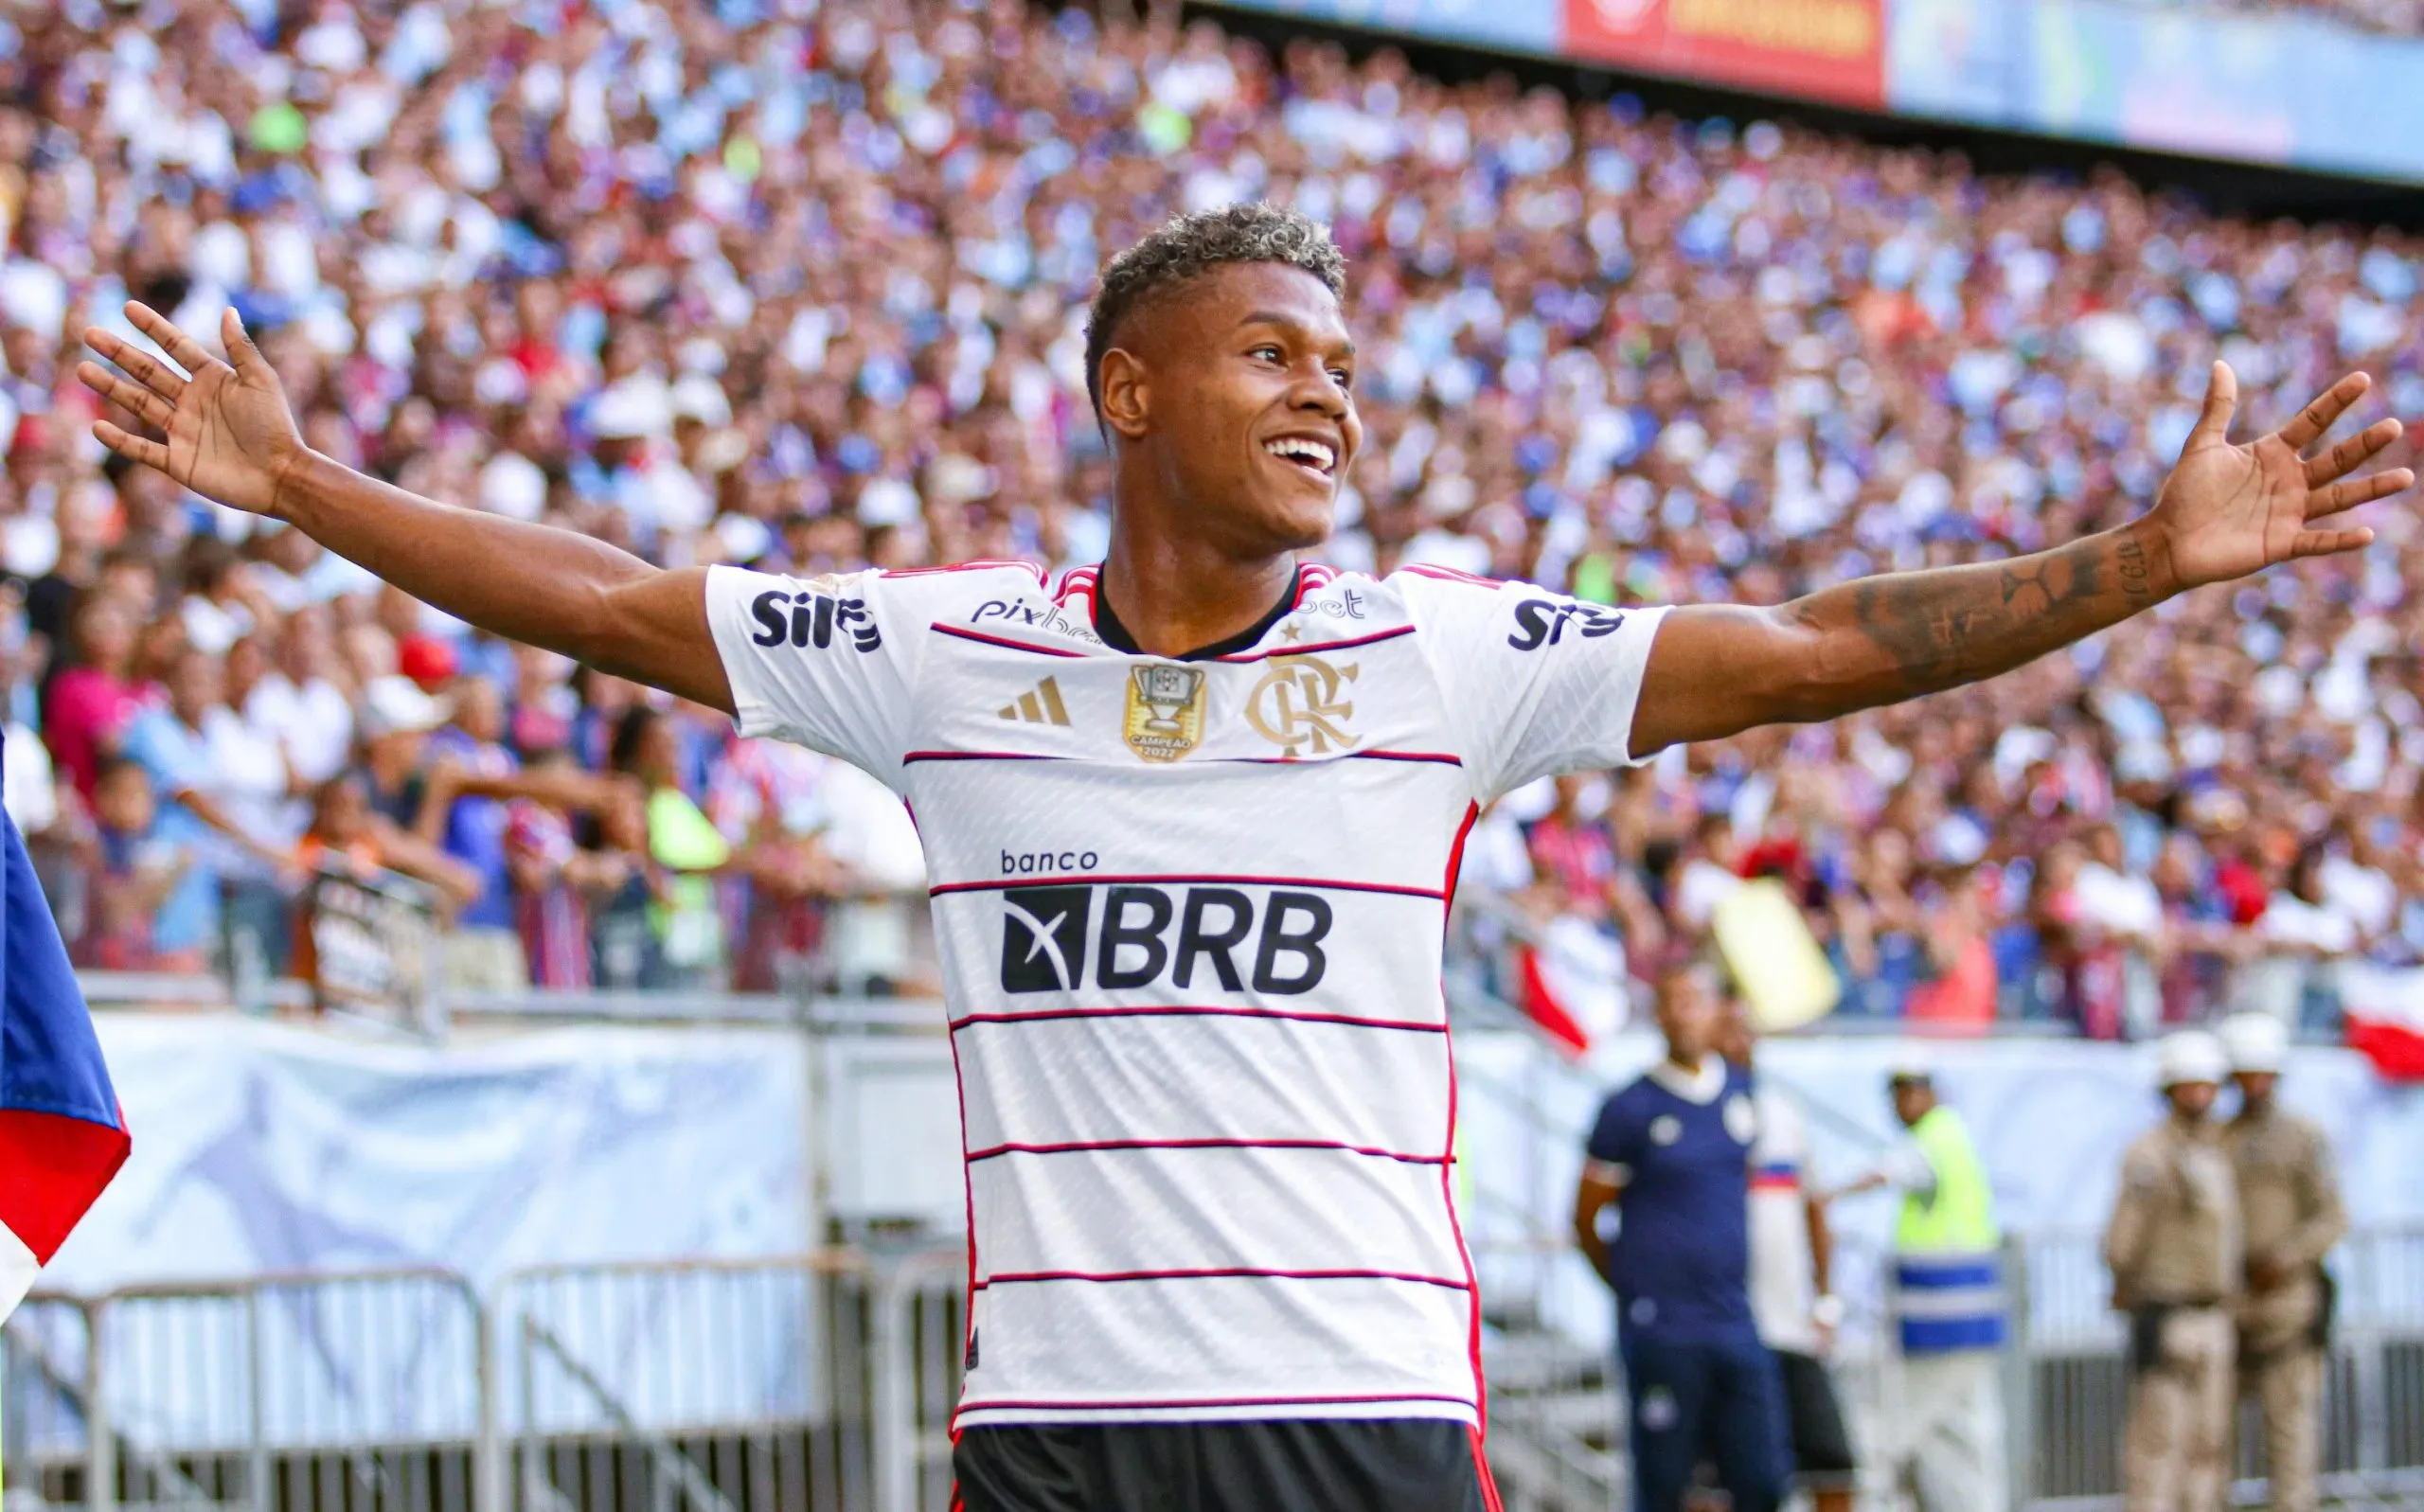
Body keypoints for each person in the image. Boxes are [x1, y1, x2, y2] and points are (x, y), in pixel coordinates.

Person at [76, 197, 2410, 1508]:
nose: (1329, 394)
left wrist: (2135, 560)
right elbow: (601, 599)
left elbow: (1806, 647)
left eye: (1343, 366)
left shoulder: (1448, 655)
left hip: (1361, 1421)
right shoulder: (938, 654)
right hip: (1055, 1436)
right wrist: (299, 487)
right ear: (1128, 391)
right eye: (1273, 352)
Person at [1572, 964, 1786, 1512]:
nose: (1682, 1013)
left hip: (1734, 1319)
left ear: (1717, 1009)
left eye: (1693, 999)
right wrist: (1634, 1284)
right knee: (1665, 1484)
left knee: (1763, 1481)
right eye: (1670, 1001)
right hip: (1663, 1329)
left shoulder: (1740, 1093)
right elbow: (1585, 1220)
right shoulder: (1629, 1108)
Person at [1841, 1062, 2010, 1512]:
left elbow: (1893, 1171)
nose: (1902, 1105)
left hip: (1939, 1326)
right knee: (1963, 1438)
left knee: (1890, 1434)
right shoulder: (1953, 1136)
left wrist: (1826, 1196)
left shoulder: (1936, 1138)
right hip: (1971, 1324)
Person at [1716, 1005, 1855, 1512]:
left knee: (1832, 1462)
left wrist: (1825, 1298)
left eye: (1747, 1031)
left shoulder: (1781, 1113)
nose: (1739, 1043)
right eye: (1728, 1030)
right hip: (1725, 1329)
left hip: (1790, 1326)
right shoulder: (1695, 1118)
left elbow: (1815, 1207)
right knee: (1726, 1476)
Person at [2105, 1030, 2241, 1512]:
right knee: (2158, 1446)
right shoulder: (2151, 1154)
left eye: (2208, 1086)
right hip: (2167, 1315)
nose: (2200, 1096)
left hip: (2215, 1314)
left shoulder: (2218, 1150)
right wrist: (2136, 1290)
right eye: (2190, 1086)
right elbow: (2121, 1241)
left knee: (2210, 1443)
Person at [2219, 1012, 2347, 1512]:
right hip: (2228, 1306)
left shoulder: (2302, 1136)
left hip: (2287, 1306)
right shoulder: (2217, 1139)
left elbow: (2331, 1216)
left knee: (2290, 1435)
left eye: (2263, 1074)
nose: (2255, 1085)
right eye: (2245, 1074)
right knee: (2213, 1438)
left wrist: (2285, 1257)